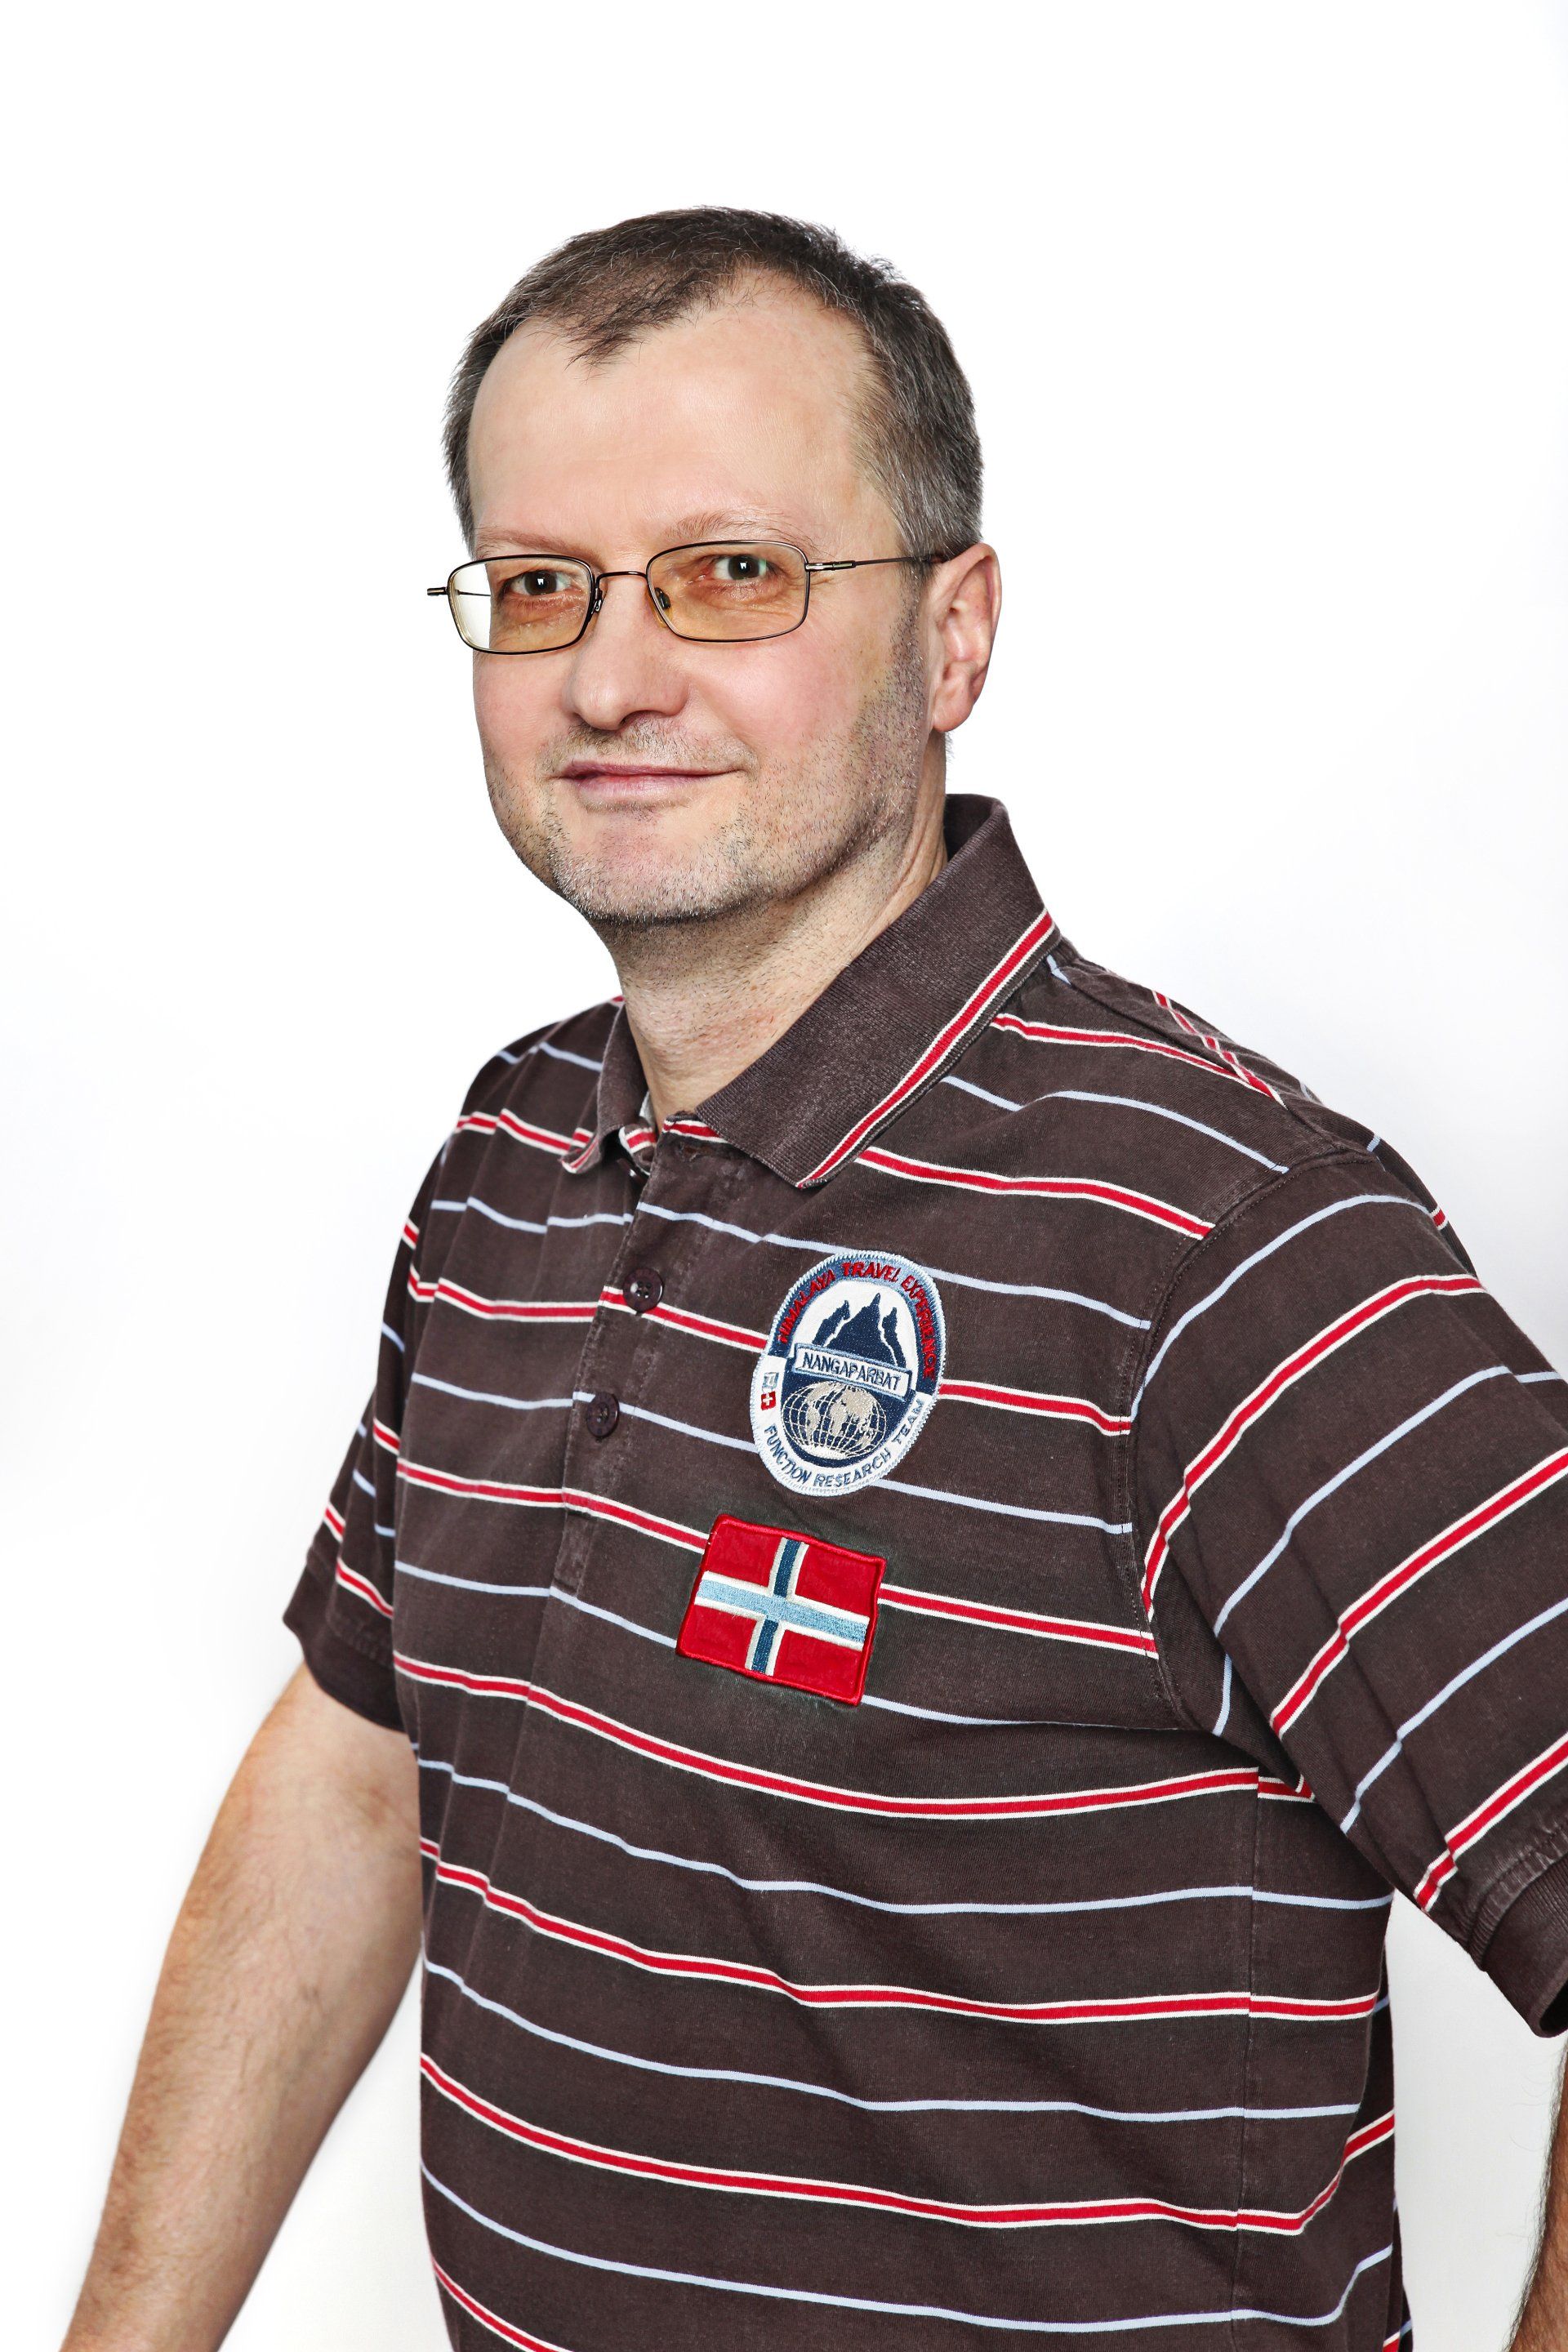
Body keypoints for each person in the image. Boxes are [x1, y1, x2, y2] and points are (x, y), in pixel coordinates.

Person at [64, 207, 1568, 2352]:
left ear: (953, 639)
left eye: (729, 573)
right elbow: (362, 1760)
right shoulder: (507, 1160)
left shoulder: (1219, 1243)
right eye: (541, 586)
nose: (611, 676)